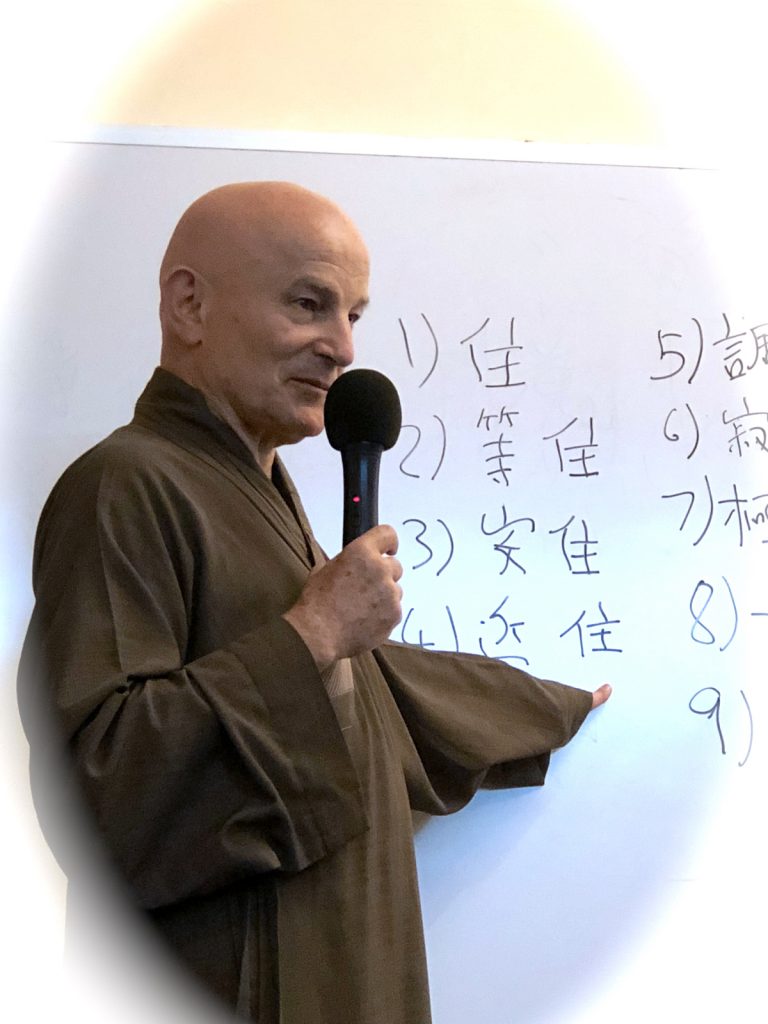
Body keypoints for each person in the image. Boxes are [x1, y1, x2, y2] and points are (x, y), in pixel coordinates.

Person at [18, 181, 611, 1024]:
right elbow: (102, 786)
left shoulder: (260, 489)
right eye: (309, 304)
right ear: (189, 304)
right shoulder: (124, 484)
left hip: (344, 965)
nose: (342, 349)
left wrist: (542, 706)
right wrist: (316, 631)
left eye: (354, 316)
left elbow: (372, 694)